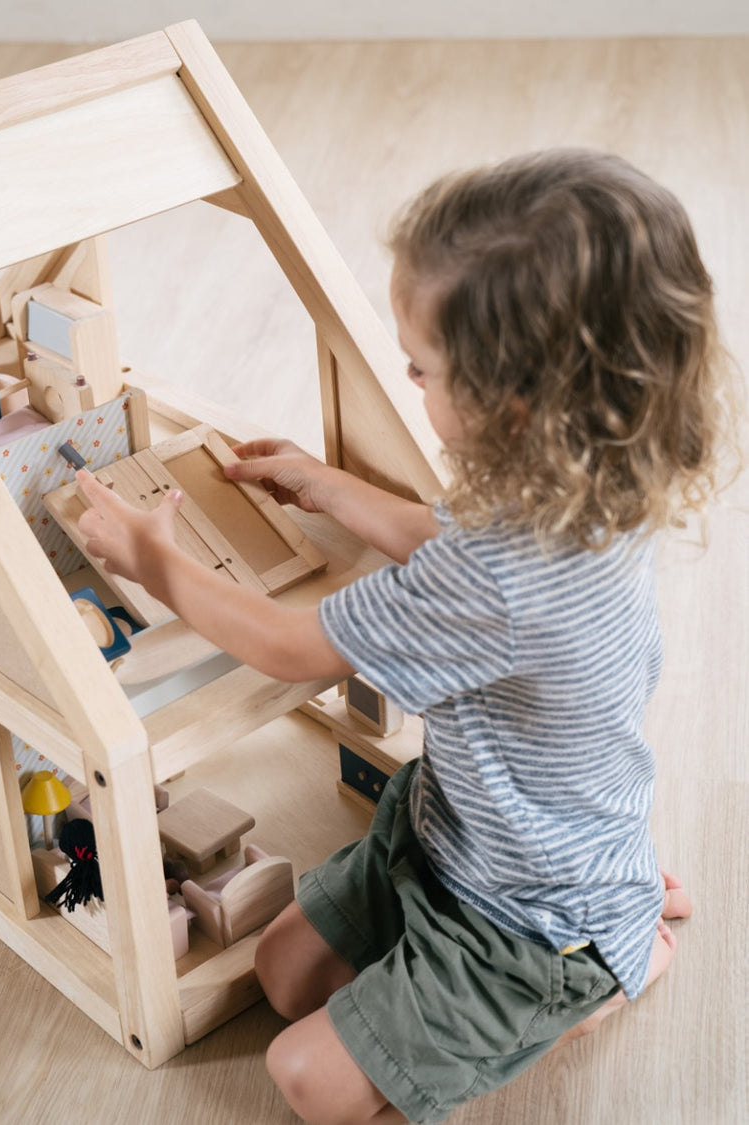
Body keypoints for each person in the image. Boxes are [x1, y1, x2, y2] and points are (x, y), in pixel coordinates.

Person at [76, 148, 733, 1125]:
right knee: (286, 973)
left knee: (305, 1077)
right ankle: (616, 914)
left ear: (511, 403)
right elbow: (453, 538)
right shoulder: (588, 479)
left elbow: (294, 649)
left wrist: (157, 563)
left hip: (523, 928)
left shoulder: (496, 583)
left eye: (422, 369)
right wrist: (327, 485)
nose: (408, 379)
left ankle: (602, 972)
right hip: (456, 835)